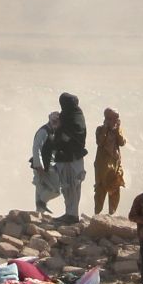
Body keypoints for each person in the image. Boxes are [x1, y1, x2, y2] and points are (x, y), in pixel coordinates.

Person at [49, 93, 88, 221]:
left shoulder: (75, 116)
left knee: (73, 186)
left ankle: (72, 215)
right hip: (65, 158)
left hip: (72, 159)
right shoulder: (66, 115)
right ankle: (70, 213)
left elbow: (75, 132)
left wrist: (60, 127)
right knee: (67, 188)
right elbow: (57, 133)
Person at [92, 108, 125, 215]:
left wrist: (117, 129)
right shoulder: (100, 129)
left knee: (115, 187)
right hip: (103, 165)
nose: (115, 121)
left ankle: (112, 213)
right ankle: (97, 213)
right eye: (112, 119)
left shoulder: (117, 130)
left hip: (115, 164)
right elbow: (100, 142)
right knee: (100, 189)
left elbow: (122, 142)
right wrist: (105, 129)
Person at [30, 110, 61, 214]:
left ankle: (40, 209)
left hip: (49, 166)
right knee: (52, 189)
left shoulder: (53, 132)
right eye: (55, 120)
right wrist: (39, 165)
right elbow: (36, 148)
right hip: (42, 166)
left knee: (48, 189)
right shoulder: (43, 131)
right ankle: (39, 212)